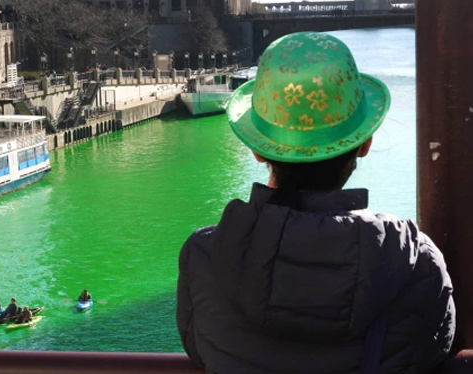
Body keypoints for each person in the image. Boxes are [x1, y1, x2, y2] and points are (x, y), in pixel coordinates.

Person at [176, 32, 455, 374]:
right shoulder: (418, 265)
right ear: (364, 144)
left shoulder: (204, 258)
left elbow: (198, 349)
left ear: (258, 149)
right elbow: (435, 349)